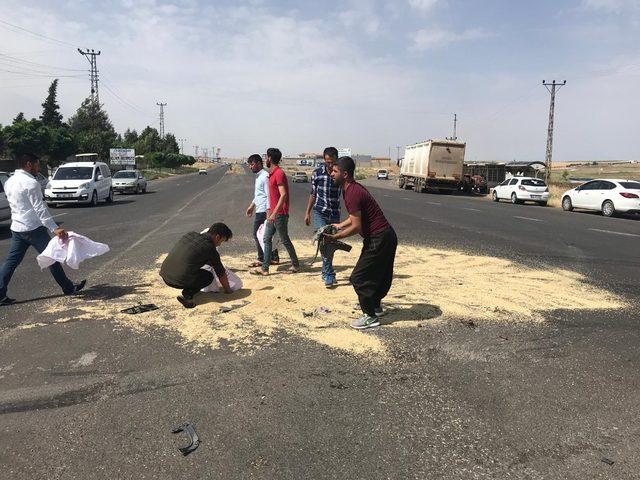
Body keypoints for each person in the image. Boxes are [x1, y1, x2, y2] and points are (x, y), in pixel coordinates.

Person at [0, 153, 86, 306]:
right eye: (37, 165)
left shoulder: (9, 181)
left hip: (17, 228)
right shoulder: (31, 183)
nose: (38, 168)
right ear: (28, 164)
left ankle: (0, 293)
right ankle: (68, 287)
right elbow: (40, 208)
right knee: (52, 258)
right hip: (34, 228)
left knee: (11, 262)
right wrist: (54, 228)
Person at [326, 156, 397, 330]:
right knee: (379, 274)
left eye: (334, 172)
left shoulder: (352, 193)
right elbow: (354, 218)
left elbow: (356, 226)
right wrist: (339, 225)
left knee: (358, 277)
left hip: (379, 238)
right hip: (384, 236)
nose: (331, 174)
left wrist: (336, 237)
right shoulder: (350, 189)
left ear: (345, 174)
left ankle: (370, 316)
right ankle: (375, 306)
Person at [160, 223, 233, 308]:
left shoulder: (190, 234)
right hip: (177, 281)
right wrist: (228, 290)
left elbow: (192, 256)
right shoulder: (210, 249)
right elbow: (220, 273)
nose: (220, 244)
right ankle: (187, 295)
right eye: (221, 241)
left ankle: (188, 288)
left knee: (194, 267)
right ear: (217, 237)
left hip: (165, 274)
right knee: (208, 276)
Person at [251, 148, 300, 276]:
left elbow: (283, 195)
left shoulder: (279, 173)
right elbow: (271, 196)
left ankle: (295, 264)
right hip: (272, 213)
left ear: (270, 158)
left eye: (266, 157)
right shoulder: (271, 174)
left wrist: (274, 213)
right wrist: (269, 211)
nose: (265, 159)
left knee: (284, 240)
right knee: (267, 239)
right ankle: (265, 269)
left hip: (280, 214)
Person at [304, 147, 341, 288]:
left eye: (332, 162)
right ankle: (329, 274)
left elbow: (346, 192)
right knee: (324, 241)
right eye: (327, 162)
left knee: (331, 243)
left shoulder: (340, 174)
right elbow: (313, 194)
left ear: (336, 160)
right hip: (319, 212)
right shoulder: (317, 174)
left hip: (335, 213)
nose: (329, 165)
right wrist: (307, 212)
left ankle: (326, 272)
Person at [245, 154, 278, 267]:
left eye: (252, 164)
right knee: (265, 234)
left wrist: (269, 212)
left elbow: (269, 195)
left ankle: (264, 258)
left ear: (259, 163)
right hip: (260, 209)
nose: (250, 167)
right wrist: (252, 205)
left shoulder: (265, 176)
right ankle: (272, 257)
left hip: (264, 210)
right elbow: (259, 195)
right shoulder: (259, 176)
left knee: (259, 234)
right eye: (249, 164)